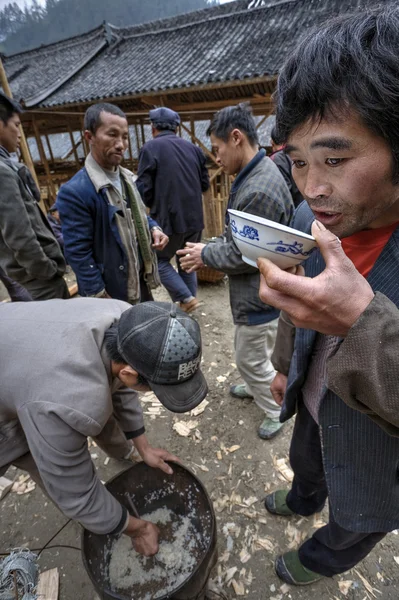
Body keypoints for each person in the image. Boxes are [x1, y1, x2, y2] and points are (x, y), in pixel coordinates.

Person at [256, 5, 399, 586]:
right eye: (297, 162)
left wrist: (362, 324)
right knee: (308, 457)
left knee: (357, 516)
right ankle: (303, 495)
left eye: (336, 160)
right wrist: (285, 364)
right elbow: (301, 301)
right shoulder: (305, 215)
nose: (313, 189)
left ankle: (319, 559)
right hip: (315, 395)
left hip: (381, 445)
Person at [0, 299, 208, 554]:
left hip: (20, 355)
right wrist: (137, 528)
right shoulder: (66, 401)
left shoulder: (126, 318)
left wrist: (143, 447)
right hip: (25, 393)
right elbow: (77, 492)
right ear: (130, 374)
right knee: (36, 459)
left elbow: (121, 385)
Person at [178, 103, 293, 440]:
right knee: (259, 351)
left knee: (249, 357)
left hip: (260, 297)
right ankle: (262, 382)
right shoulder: (257, 174)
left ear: (236, 138)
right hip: (260, 293)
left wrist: (206, 253)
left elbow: (251, 254)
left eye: (217, 149)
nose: (216, 158)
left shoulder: (257, 190)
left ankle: (275, 409)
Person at [56, 103, 169, 303]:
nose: (121, 144)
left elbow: (139, 216)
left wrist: (153, 228)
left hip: (138, 280)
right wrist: (99, 295)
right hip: (110, 292)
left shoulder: (127, 179)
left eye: (124, 136)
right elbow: (78, 253)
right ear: (89, 137)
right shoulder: (76, 191)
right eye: (112, 135)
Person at [136, 107, 210, 313]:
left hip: (168, 217)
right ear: (177, 128)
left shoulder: (150, 148)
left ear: (153, 128)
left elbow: (143, 189)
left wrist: (150, 206)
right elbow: (205, 184)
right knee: (187, 259)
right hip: (195, 218)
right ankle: (188, 302)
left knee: (157, 260)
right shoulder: (194, 149)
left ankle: (186, 298)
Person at [0, 92, 68, 300]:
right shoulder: (2, 171)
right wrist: (45, 269)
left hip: (29, 277)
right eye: (16, 125)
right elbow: (18, 233)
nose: (19, 133)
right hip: (39, 280)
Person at [269, 125, 303, 208]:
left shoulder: (276, 159)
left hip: (292, 212)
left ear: (272, 143)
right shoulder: (298, 152)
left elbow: (283, 193)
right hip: (304, 206)